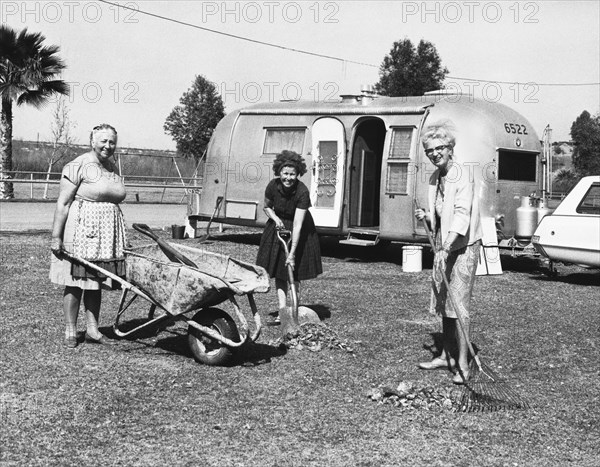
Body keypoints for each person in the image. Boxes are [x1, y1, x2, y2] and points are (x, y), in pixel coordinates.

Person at [414, 122, 483, 384]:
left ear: (450, 148)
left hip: (463, 245)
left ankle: (463, 364)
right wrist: (427, 215)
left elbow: (462, 215)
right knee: (443, 301)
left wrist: (447, 247)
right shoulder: (435, 177)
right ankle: (445, 356)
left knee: (459, 303)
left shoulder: (461, 173)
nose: (435, 154)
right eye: (430, 150)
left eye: (439, 148)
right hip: (444, 243)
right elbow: (441, 213)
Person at [50, 124, 127, 348]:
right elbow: (63, 203)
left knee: (96, 280)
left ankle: (93, 330)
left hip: (106, 232)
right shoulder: (78, 165)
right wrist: (56, 237)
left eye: (112, 142)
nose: (108, 146)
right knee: (75, 280)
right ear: (92, 141)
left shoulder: (112, 167)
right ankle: (71, 330)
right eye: (103, 141)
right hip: (82, 229)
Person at [256, 150, 322, 321]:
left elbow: (298, 224)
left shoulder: (302, 191)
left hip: (299, 229)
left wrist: (292, 253)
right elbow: (267, 207)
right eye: (285, 173)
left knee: (295, 271)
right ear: (279, 172)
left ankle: (294, 307)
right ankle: (282, 310)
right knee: (279, 273)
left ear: (298, 173)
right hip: (278, 226)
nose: (288, 178)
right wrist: (276, 218)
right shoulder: (273, 185)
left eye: (292, 174)